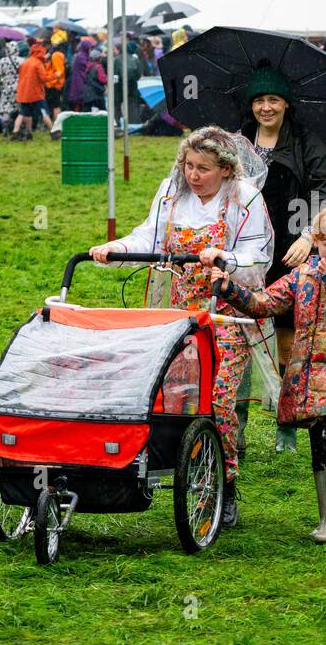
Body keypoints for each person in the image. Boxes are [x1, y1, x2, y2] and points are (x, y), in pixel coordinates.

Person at [89, 127, 272, 528]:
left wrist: (225, 258)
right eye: (188, 165)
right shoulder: (172, 193)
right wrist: (116, 248)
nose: (193, 175)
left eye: (203, 168)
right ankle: (173, 470)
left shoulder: (244, 199)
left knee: (219, 399)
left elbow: (258, 255)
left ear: (225, 169)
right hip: (179, 313)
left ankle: (225, 485)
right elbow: (148, 235)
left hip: (226, 313)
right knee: (176, 397)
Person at [208, 204, 326, 543]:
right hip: (309, 373)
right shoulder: (303, 273)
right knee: (319, 438)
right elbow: (264, 304)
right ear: (316, 242)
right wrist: (229, 290)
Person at [238, 63, 326, 450]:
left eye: (274, 100)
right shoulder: (236, 140)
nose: (266, 107)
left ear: (285, 104)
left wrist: (309, 235)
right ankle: (238, 424)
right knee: (239, 334)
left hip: (289, 250)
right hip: (244, 249)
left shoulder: (305, 142)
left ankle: (287, 420)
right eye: (260, 100)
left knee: (287, 341)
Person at [13, 42, 49, 140]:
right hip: (35, 93)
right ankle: (54, 132)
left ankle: (16, 132)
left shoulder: (25, 62)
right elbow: (43, 79)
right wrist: (56, 76)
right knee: (43, 112)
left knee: (23, 113)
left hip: (23, 93)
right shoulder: (38, 63)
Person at [0, 40, 22, 135]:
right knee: (21, 110)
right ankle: (19, 130)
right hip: (20, 88)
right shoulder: (22, 61)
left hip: (7, 89)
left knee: (6, 109)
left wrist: (2, 85)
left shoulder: (3, 61)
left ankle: (5, 131)